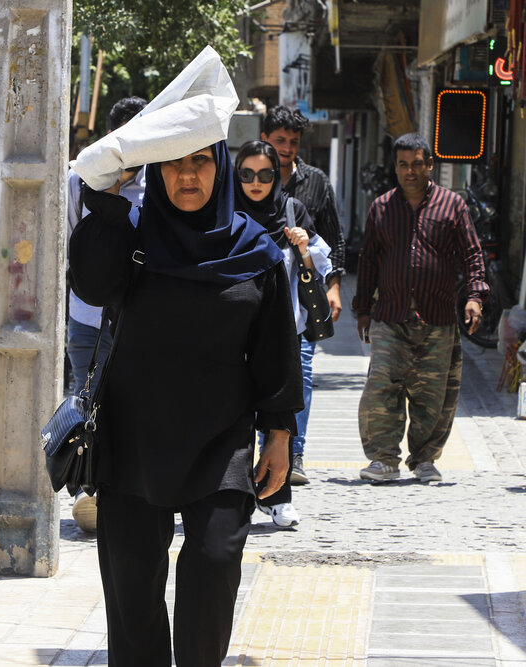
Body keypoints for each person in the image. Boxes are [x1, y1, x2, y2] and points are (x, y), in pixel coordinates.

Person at [69, 142, 303, 665]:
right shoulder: (131, 237)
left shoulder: (253, 249)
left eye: (200, 161)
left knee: (216, 562)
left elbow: (275, 350)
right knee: (131, 590)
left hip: (221, 440)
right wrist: (107, 198)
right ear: (156, 171)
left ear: (220, 167)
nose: (187, 175)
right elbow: (91, 285)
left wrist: (279, 434)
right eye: (173, 163)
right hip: (132, 436)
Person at [353, 132, 487, 483]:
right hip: (390, 317)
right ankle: (383, 459)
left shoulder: (452, 206)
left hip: (437, 318)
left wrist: (475, 296)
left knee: (433, 396)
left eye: (416, 164)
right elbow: (368, 261)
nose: (410, 171)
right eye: (403, 165)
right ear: (395, 167)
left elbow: (473, 254)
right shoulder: (381, 207)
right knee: (382, 388)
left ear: (430, 165)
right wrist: (363, 309)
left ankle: (424, 459)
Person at [234, 140, 332, 528]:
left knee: (280, 417)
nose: (255, 183)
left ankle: (278, 496)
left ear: (276, 177)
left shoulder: (292, 211)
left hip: (283, 330)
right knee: (235, 417)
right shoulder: (224, 212)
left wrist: (303, 247)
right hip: (234, 332)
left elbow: (319, 262)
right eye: (246, 174)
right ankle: (235, 495)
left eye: (265, 174)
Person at [66, 95, 147, 533]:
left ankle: (131, 492)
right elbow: (69, 244)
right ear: (112, 135)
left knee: (136, 405)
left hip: (141, 319)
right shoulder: (79, 181)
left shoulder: (161, 182)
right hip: (88, 319)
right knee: (88, 401)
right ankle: (90, 490)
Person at [260, 105, 346, 485]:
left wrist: (334, 287)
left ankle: (294, 454)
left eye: (293, 141)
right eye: (280, 140)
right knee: (262, 376)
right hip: (258, 301)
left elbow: (333, 238)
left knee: (302, 375)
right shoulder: (246, 180)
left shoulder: (315, 182)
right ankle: (265, 449)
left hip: (301, 302)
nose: (287, 147)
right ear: (265, 139)